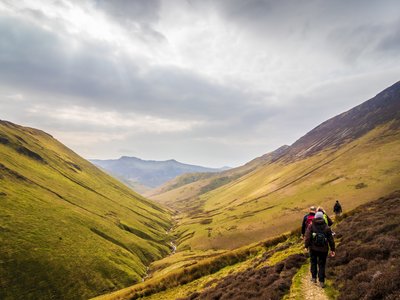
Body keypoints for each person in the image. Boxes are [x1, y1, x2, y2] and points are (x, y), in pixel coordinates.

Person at [305, 211, 335, 288]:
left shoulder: (311, 226)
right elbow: (331, 240)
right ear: (322, 217)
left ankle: (314, 278)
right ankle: (321, 281)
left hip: (313, 248)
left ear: (315, 217)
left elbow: (308, 237)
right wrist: (332, 250)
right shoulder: (327, 227)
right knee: (322, 264)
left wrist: (306, 246)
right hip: (323, 249)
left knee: (313, 262)